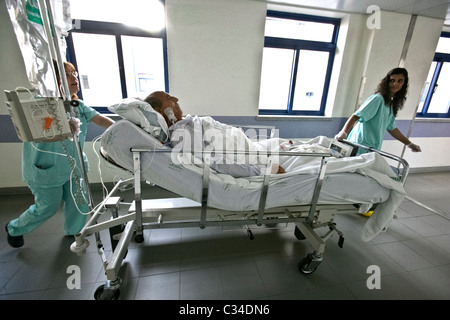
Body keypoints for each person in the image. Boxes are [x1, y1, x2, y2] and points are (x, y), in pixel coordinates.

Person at [5, 61, 115, 248]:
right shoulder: (37, 104)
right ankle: (14, 228)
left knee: (79, 201)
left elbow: (100, 119)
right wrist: (61, 126)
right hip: (46, 168)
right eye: (68, 74)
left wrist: (124, 129)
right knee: (47, 207)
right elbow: (41, 131)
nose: (74, 78)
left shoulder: (76, 105)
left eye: (75, 74)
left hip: (74, 165)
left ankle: (75, 232)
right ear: (50, 80)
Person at [144, 91, 285, 175]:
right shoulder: (181, 134)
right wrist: (264, 171)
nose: (176, 99)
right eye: (169, 99)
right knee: (295, 152)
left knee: (280, 144)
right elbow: (214, 162)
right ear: (160, 111)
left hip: (251, 148)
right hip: (250, 157)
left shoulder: (186, 123)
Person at [335, 67, 421, 154]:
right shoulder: (378, 99)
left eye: (400, 81)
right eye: (392, 80)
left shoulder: (390, 104)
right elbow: (356, 115)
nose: (395, 84)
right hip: (360, 144)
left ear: (404, 83)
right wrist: (343, 132)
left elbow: (392, 128)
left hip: (372, 146)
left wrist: (409, 144)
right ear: (387, 81)